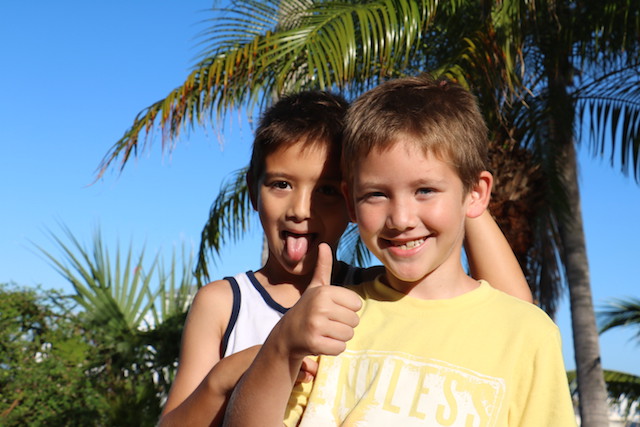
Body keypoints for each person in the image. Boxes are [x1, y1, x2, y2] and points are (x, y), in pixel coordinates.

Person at [159, 90, 532, 426]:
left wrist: (462, 190)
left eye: (325, 191)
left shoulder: (372, 295)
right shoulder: (224, 304)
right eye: (281, 184)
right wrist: (231, 373)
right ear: (254, 192)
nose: (301, 209)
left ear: (351, 198)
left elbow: (511, 313)